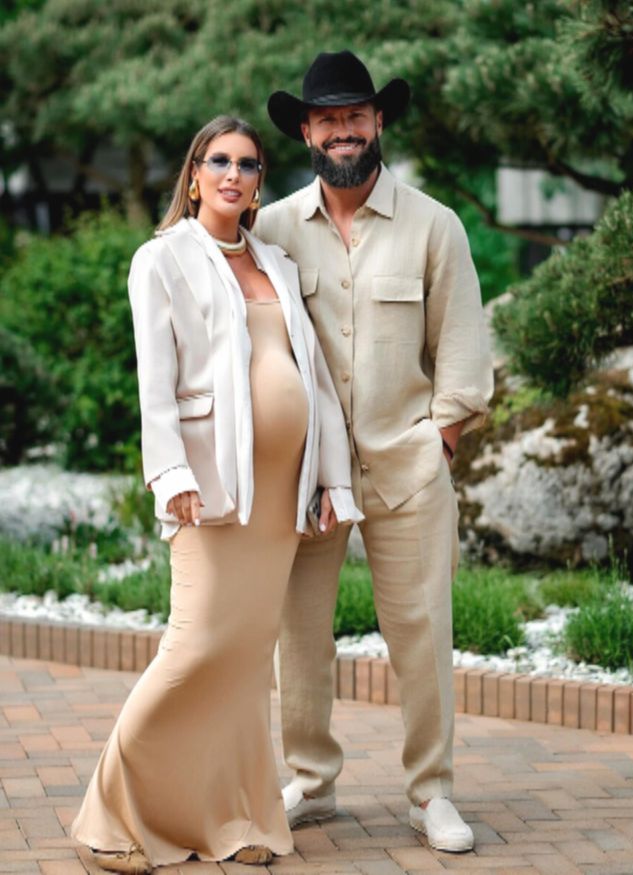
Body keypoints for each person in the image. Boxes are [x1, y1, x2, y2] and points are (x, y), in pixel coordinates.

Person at [71, 115, 362, 874]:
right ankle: (108, 817)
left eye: (249, 164)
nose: (234, 174)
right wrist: (172, 476)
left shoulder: (276, 262)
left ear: (260, 182)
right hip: (211, 488)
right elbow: (156, 381)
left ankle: (234, 817)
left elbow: (315, 383)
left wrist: (332, 480)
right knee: (195, 645)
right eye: (220, 161)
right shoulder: (161, 259)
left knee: (244, 659)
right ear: (195, 175)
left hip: (279, 497)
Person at [254, 51, 494, 854]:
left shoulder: (434, 225)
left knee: (421, 635)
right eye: (327, 119)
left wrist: (441, 443)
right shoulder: (272, 229)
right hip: (307, 474)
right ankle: (312, 780)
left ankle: (432, 791)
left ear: (379, 121)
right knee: (299, 635)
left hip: (408, 466)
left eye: (355, 115)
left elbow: (462, 348)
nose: (343, 131)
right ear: (306, 132)